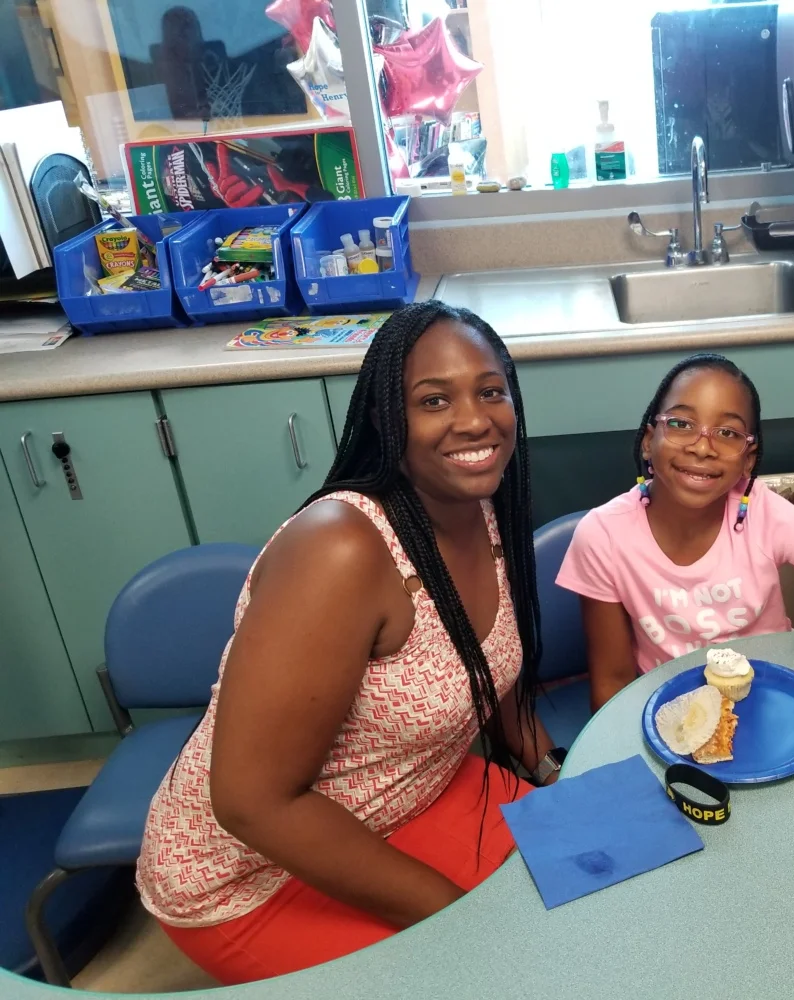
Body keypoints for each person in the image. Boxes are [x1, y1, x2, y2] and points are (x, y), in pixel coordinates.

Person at [136, 302, 564, 984]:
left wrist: (552, 774)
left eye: (490, 390)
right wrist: (460, 923)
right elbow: (254, 803)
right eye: (433, 400)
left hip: (414, 791)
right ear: (386, 422)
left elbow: (494, 670)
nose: (474, 419)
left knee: (583, 910)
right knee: (503, 973)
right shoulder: (338, 548)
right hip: (253, 874)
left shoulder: (480, 505)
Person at [557, 353, 794, 711]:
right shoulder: (602, 535)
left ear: (748, 459)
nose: (702, 446)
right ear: (648, 442)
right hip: (676, 708)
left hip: (774, 697)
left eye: (727, 433)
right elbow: (612, 682)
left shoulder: (766, 513)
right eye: (681, 424)